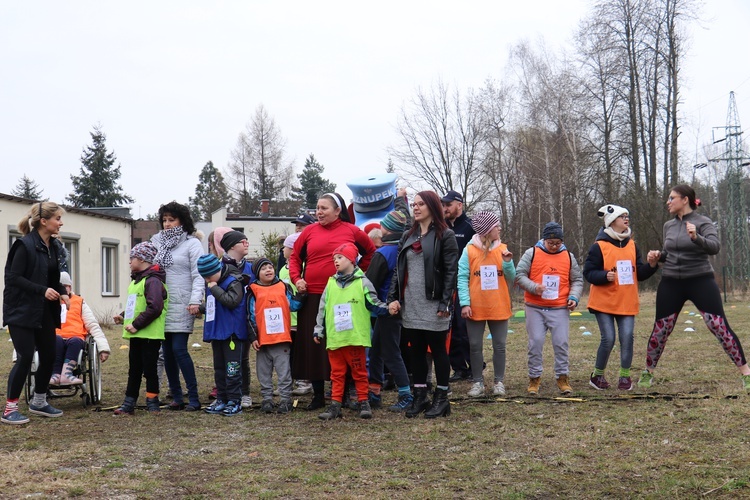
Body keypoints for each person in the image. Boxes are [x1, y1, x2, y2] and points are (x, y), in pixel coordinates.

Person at [637, 185, 750, 390]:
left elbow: (714, 247)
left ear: (685, 200)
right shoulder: (668, 226)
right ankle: (648, 372)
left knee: (718, 326)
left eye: (672, 198)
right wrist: (658, 256)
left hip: (700, 279)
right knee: (661, 329)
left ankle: (746, 374)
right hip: (671, 281)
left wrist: (697, 237)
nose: (668, 202)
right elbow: (669, 252)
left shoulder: (703, 222)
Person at [288, 192, 377, 410]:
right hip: (313, 297)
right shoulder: (308, 231)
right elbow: (294, 258)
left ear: (338, 211)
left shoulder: (352, 231)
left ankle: (343, 395)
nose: (319, 212)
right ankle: (318, 396)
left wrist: (355, 277)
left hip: (343, 298)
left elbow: (371, 253)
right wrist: (297, 279)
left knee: (343, 344)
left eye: (324, 208)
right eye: (317, 208)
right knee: (314, 346)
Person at [388, 191, 458, 418]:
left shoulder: (445, 235)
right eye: (414, 204)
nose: (416, 208)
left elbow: (450, 273)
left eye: (421, 204)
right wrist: (394, 298)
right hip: (411, 304)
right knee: (415, 352)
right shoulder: (408, 235)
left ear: (432, 207)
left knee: (438, 351)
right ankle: (420, 396)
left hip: (435, 304)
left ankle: (441, 398)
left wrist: (445, 303)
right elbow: (398, 272)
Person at [2, 201, 70, 425]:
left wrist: (62, 292)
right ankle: (10, 409)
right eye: (57, 218)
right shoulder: (24, 245)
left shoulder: (52, 246)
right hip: (21, 310)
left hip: (44, 311)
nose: (60, 223)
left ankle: (39, 401)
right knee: (26, 357)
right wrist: (43, 291)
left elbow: (52, 277)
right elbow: (13, 278)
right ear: (44, 221)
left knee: (50, 355)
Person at [583, 205, 658, 391]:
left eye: (628, 216)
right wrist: (603, 276)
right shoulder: (598, 246)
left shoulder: (632, 245)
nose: (626, 219)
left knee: (627, 338)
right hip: (604, 302)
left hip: (626, 301)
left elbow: (638, 274)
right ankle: (597, 376)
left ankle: (625, 377)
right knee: (608, 339)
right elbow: (589, 273)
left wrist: (652, 265)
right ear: (611, 221)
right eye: (622, 216)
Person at [314, 244, 390, 420]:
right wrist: (319, 329)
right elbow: (322, 308)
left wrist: (388, 309)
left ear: (351, 259)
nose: (336, 261)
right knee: (337, 374)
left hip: (355, 338)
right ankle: (335, 405)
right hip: (335, 338)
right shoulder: (331, 282)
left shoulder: (363, 281)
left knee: (359, 371)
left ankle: (364, 402)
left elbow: (373, 302)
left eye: (339, 257)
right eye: (334, 259)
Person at [515, 222, 583, 396]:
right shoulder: (531, 253)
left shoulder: (569, 256)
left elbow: (577, 280)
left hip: (559, 307)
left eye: (558, 243)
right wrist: (533, 287)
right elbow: (519, 275)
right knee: (535, 342)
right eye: (550, 243)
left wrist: (573, 297)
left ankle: (562, 378)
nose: (554, 246)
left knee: (561, 343)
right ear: (544, 240)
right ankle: (534, 378)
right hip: (535, 307)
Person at [457, 211, 515, 398]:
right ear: (487, 230)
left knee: (499, 345)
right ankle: (477, 382)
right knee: (474, 345)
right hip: (475, 307)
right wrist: (464, 303)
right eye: (496, 226)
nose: (500, 228)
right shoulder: (469, 250)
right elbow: (462, 277)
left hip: (498, 305)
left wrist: (508, 263)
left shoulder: (503, 249)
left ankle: (498, 382)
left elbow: (511, 278)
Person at [151, 201, 203, 411]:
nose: (167, 224)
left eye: (172, 219)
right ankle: (177, 397)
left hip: (183, 303)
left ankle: (194, 397)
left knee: (179, 350)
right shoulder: (156, 243)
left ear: (182, 220)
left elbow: (198, 275)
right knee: (167, 352)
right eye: (164, 220)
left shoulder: (192, 244)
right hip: (161, 305)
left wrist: (195, 300)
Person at [365, 209, 414, 412]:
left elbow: (369, 282)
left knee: (391, 352)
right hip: (399, 306)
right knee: (376, 349)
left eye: (383, 225)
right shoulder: (405, 251)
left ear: (387, 230)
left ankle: (405, 394)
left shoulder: (383, 253)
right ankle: (374, 391)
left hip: (385, 308)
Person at [113, 242, 168, 415]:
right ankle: (129, 403)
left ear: (142, 259)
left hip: (149, 334)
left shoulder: (153, 281)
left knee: (150, 369)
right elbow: (136, 305)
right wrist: (123, 316)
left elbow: (155, 307)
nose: (129, 262)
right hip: (136, 334)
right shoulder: (137, 281)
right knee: (134, 369)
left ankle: (153, 402)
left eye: (132, 258)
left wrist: (136, 324)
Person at [248, 257, 304, 414]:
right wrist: (253, 337)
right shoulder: (252, 290)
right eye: (263, 268)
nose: (268, 270)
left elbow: (293, 305)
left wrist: (301, 296)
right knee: (263, 372)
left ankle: (285, 400)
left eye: (270, 267)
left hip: (282, 339)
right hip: (263, 341)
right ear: (257, 273)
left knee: (284, 371)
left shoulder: (283, 286)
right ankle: (267, 399)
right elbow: (249, 316)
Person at [196, 254, 246, 416]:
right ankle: (222, 398)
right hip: (217, 332)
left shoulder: (234, 281)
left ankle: (234, 400)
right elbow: (214, 304)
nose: (207, 280)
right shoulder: (213, 283)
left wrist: (214, 287)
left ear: (217, 270)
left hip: (232, 333)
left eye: (209, 276)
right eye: (204, 277)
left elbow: (231, 301)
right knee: (219, 368)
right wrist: (201, 308)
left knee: (232, 369)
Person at [51, 272, 111, 386]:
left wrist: (103, 348)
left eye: (65, 286)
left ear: (70, 287)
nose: (63, 290)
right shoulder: (48, 302)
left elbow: (93, 325)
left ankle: (66, 374)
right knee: (56, 340)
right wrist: (19, 355)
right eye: (60, 287)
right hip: (55, 337)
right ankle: (55, 374)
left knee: (75, 341)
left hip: (75, 337)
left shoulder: (79, 302)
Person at [219, 230, 256, 409]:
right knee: (223, 360)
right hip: (225, 320)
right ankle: (225, 395)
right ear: (232, 246)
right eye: (243, 241)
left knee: (243, 358)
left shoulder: (251, 267)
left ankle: (245, 393)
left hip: (246, 319)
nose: (247, 243)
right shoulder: (218, 267)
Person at [442, 189, 475, 382]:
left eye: (448, 205)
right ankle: (459, 368)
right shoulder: (441, 227)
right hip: (447, 285)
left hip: (467, 285)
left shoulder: (471, 227)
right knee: (450, 327)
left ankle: (474, 366)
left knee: (465, 328)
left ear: (459, 205)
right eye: (443, 205)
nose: (445, 208)